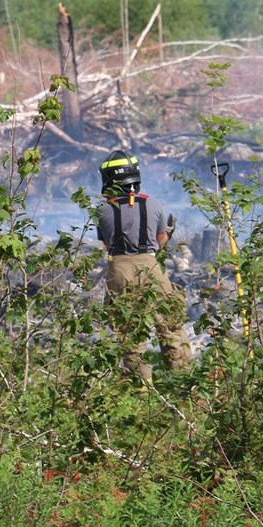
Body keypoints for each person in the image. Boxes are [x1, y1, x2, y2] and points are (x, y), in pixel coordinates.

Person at [95, 150, 192, 383]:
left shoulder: (101, 210)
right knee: (170, 328)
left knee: (130, 335)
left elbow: (107, 243)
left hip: (119, 269)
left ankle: (141, 390)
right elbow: (160, 243)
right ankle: (183, 384)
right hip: (151, 267)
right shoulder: (154, 204)